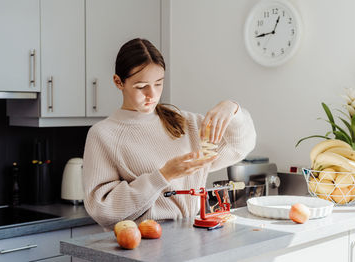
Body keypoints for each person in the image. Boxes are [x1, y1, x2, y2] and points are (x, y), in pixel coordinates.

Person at [82, 38, 256, 230]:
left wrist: (233, 109)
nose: (152, 95)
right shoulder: (103, 135)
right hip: (139, 244)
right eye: (141, 86)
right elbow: (102, 208)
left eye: (158, 83)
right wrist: (164, 175)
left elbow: (240, 147)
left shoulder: (185, 123)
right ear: (118, 82)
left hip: (191, 237)